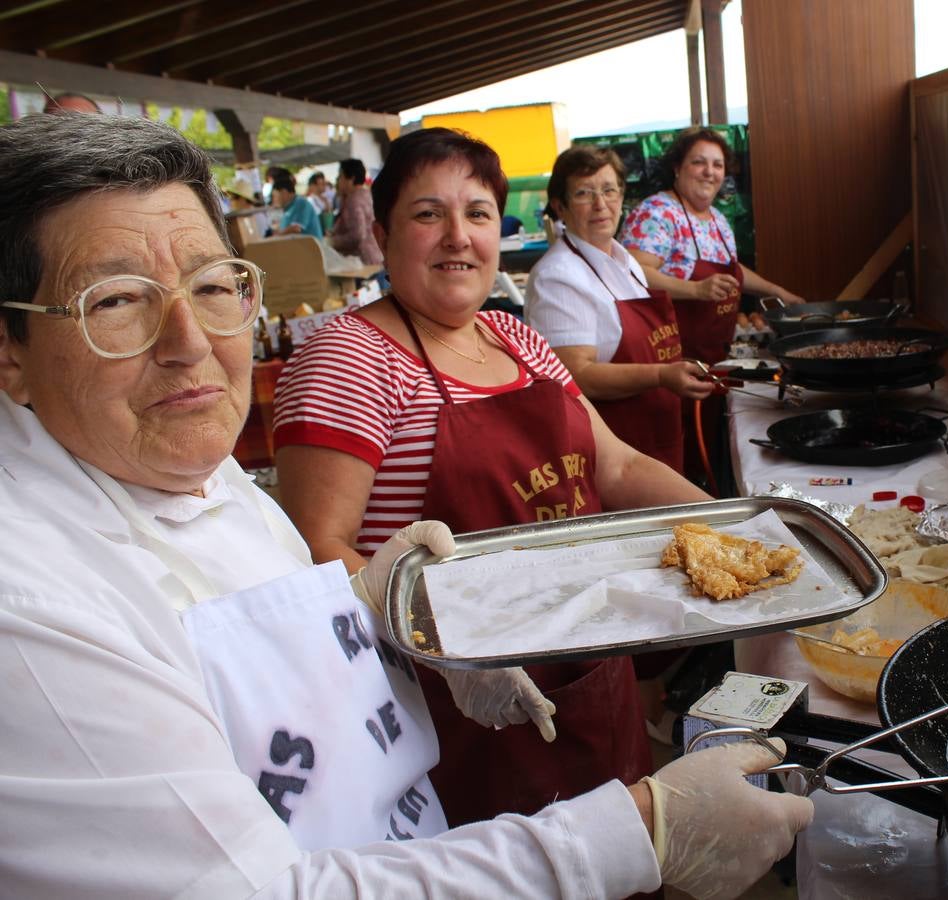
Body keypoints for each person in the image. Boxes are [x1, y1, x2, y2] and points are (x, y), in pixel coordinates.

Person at [0, 112, 812, 899]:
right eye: (115, 301)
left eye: (214, 285)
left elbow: (618, 463)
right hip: (473, 764)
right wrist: (640, 829)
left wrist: (748, 535)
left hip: (549, 696)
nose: (187, 340)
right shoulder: (29, 607)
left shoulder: (198, 473)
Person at [273, 128, 714, 829]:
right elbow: (315, 551)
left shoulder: (519, 339)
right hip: (450, 713)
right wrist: (452, 656)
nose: (458, 236)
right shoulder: (350, 359)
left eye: (477, 213)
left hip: (588, 680)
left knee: (619, 855)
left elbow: (618, 466)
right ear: (381, 234)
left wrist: (739, 528)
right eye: (427, 215)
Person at [526, 144, 713, 472]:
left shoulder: (624, 260)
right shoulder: (557, 276)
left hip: (658, 437)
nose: (601, 204)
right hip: (614, 455)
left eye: (609, 190)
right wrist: (661, 374)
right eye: (584, 193)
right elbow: (577, 376)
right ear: (561, 206)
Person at [620, 126, 804, 367]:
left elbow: (732, 270)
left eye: (718, 165)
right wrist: (695, 290)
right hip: (669, 361)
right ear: (677, 168)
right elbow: (632, 272)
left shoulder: (717, 218)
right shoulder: (655, 213)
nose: (709, 172)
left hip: (714, 359)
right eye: (699, 162)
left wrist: (775, 291)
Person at [328, 157, 384, 266]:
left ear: (351, 179)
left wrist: (332, 241)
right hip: (377, 257)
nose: (338, 180)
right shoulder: (367, 194)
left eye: (340, 176)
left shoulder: (353, 200)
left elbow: (357, 235)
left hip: (363, 262)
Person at [271, 169, 323, 238]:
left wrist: (277, 236)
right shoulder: (288, 207)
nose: (274, 200)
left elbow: (296, 228)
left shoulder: (301, 203)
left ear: (284, 192)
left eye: (275, 196)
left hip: (310, 248)